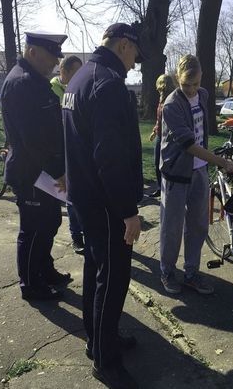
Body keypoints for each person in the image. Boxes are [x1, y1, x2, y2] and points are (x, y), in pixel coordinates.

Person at [62, 22, 144, 389]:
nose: (134, 63)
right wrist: (128, 211)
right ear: (124, 46)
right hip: (106, 202)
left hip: (84, 196)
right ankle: (105, 361)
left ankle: (97, 340)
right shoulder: (108, 83)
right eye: (134, 55)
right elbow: (109, 157)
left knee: (96, 269)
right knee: (112, 279)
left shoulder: (80, 78)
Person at [159, 54, 233, 295]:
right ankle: (167, 271)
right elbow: (188, 145)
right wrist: (222, 162)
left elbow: (202, 132)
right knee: (171, 228)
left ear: (202, 78)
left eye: (195, 84)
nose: (191, 90)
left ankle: (191, 272)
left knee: (198, 225)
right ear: (177, 80)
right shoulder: (172, 105)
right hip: (176, 173)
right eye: (186, 85)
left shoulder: (204, 95)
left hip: (199, 170)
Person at [0, 31, 72, 301]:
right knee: (33, 230)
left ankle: (44, 269)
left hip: (41, 172)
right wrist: (59, 171)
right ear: (33, 52)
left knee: (49, 222)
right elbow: (34, 139)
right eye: (51, 56)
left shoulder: (33, 81)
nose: (55, 62)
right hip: (31, 172)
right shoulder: (22, 83)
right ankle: (30, 284)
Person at [50, 55, 86, 253]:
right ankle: (76, 236)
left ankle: (86, 231)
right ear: (64, 72)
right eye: (75, 72)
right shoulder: (53, 90)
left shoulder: (80, 88)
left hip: (79, 150)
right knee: (70, 196)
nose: (79, 76)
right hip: (63, 151)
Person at [148, 74, 176, 198]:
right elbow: (159, 119)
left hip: (168, 138)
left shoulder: (172, 99)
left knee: (166, 164)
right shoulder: (161, 99)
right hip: (160, 135)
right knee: (157, 163)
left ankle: (169, 190)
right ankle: (160, 188)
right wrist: (155, 131)